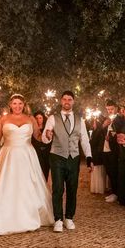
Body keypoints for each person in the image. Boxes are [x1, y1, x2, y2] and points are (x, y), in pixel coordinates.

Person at [0, 94, 54, 235]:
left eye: (20, 103)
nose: (17, 106)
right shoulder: (4, 119)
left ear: (24, 104)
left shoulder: (30, 118)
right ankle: (6, 216)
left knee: (27, 184)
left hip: (27, 155)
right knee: (9, 184)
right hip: (9, 154)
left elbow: (38, 137)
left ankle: (30, 214)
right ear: (10, 104)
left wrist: (48, 136)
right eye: (15, 103)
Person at [42, 90, 94, 232]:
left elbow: (84, 139)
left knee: (72, 188)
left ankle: (69, 217)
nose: (67, 102)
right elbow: (45, 139)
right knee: (58, 188)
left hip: (74, 158)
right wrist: (47, 135)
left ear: (73, 101)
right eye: (64, 99)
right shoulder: (53, 118)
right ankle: (58, 219)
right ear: (61, 101)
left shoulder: (80, 119)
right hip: (57, 156)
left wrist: (89, 157)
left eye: (69, 99)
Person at [102, 100, 125, 202]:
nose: (109, 111)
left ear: (115, 108)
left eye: (111, 109)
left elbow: (119, 133)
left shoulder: (119, 119)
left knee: (114, 171)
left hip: (114, 150)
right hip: (106, 149)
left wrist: (110, 138)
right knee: (109, 171)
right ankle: (113, 191)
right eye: (108, 109)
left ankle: (116, 193)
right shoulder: (108, 119)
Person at [89, 115, 107, 194]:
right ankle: (96, 188)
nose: (93, 125)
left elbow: (98, 144)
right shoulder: (95, 132)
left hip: (97, 154)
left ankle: (98, 188)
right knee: (96, 171)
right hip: (95, 153)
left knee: (98, 171)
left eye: (94, 123)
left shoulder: (99, 132)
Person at [31, 110, 51, 181]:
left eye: (40, 118)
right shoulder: (31, 130)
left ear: (43, 119)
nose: (38, 120)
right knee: (37, 172)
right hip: (36, 153)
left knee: (45, 171)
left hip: (46, 153)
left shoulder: (47, 129)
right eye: (36, 118)